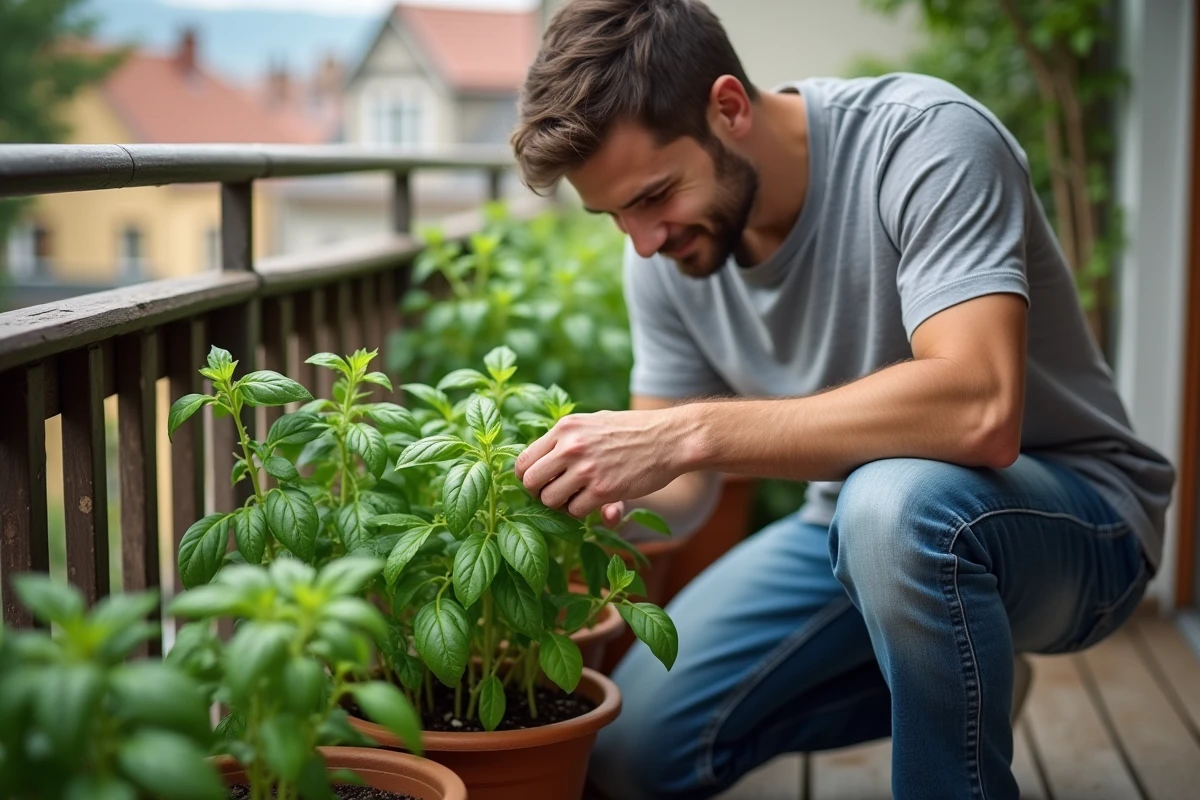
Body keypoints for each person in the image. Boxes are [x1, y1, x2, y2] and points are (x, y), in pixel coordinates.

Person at [508, 1, 1176, 798]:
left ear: (729, 108)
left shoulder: (924, 140)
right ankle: (969, 677)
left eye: (653, 196)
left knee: (891, 505)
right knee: (629, 757)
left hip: (1078, 520)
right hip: (849, 533)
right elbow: (683, 489)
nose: (642, 240)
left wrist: (688, 432)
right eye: (613, 214)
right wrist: (605, 496)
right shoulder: (660, 256)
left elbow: (980, 408)